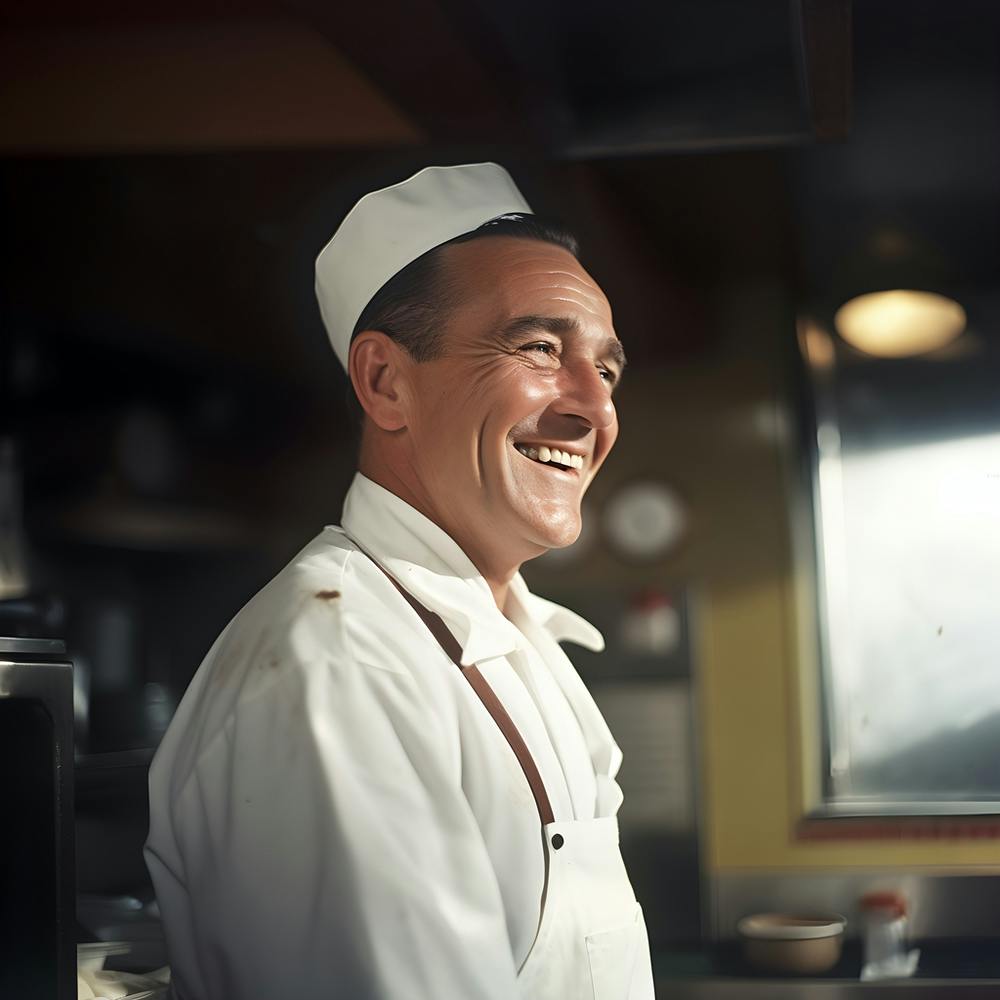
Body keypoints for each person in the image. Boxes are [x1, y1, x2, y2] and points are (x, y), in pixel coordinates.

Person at [144, 162, 654, 1000]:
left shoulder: (518, 641)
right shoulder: (341, 663)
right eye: (539, 348)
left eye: (605, 369)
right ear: (386, 383)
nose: (593, 410)